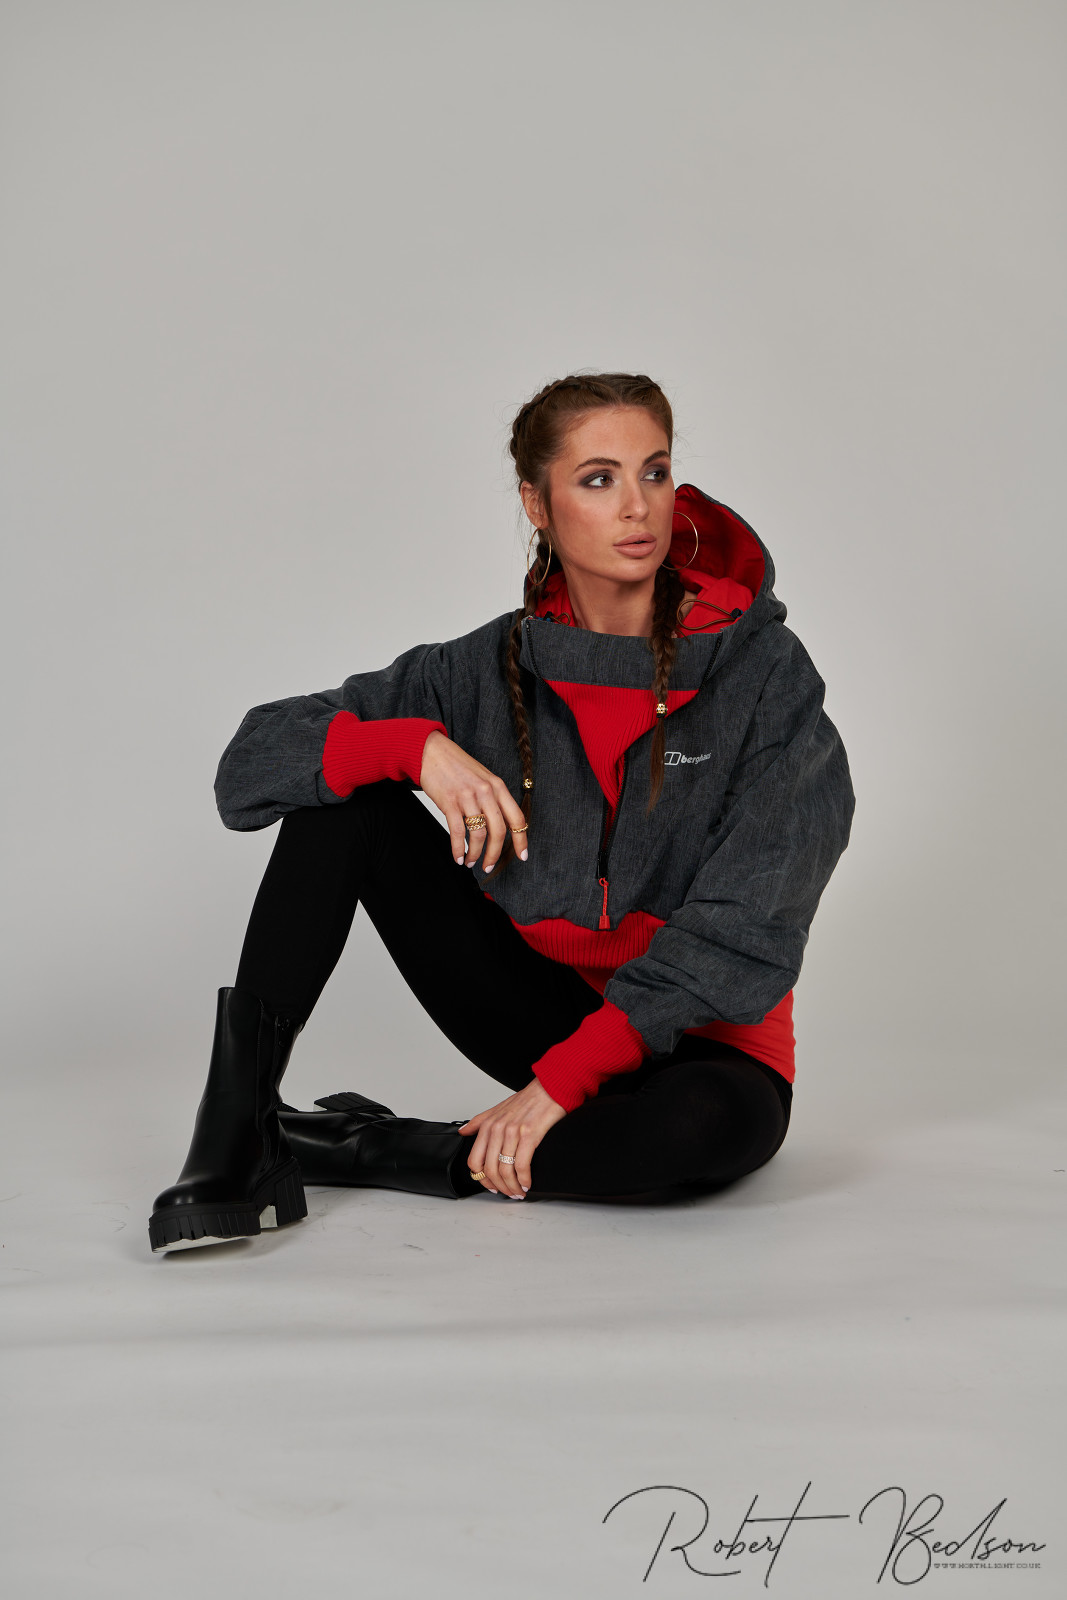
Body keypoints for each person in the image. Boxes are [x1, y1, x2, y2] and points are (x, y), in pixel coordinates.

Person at [148, 372, 856, 1254]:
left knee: (690, 1134)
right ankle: (237, 1128)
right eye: (597, 479)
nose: (636, 506)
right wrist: (413, 747)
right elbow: (251, 766)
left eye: (653, 471)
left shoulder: (764, 673)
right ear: (536, 502)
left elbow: (747, 922)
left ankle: (372, 1147)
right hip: (542, 1011)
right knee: (339, 803)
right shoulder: (484, 667)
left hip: (709, 1044)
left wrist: (558, 1086)